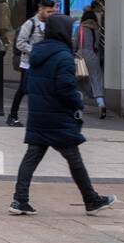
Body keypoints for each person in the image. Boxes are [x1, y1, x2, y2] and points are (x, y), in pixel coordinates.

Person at [9, 15, 116, 216]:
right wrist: (78, 103)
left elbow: (30, 83)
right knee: (74, 159)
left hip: (39, 114)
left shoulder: (37, 52)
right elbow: (66, 88)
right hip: (57, 116)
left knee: (31, 158)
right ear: (63, 32)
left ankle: (19, 199)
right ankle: (91, 200)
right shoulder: (64, 56)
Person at [8, 0, 55, 127]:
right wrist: (35, 51)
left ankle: (39, 118)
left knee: (39, 90)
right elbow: (20, 43)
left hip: (42, 63)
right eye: (48, 11)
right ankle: (12, 116)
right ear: (41, 9)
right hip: (28, 63)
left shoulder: (50, 24)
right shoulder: (30, 24)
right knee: (24, 90)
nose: (50, 14)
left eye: (52, 12)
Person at [75, 7, 107, 119]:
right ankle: (101, 103)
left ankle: (79, 107)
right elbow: (97, 45)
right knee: (96, 80)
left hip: (80, 56)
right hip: (93, 56)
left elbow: (75, 44)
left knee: (79, 80)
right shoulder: (97, 30)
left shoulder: (80, 29)